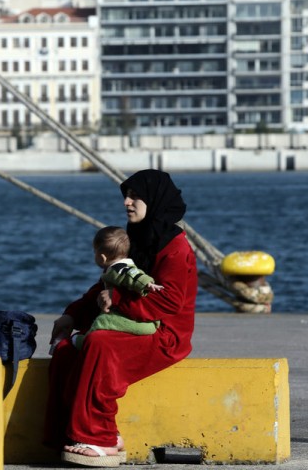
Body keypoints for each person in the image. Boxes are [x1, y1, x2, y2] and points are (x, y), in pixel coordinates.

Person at [43, 169, 198, 468]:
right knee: (65, 350)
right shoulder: (137, 238)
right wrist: (72, 315)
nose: (127, 202)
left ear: (154, 200)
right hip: (133, 323)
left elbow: (168, 300)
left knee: (101, 344)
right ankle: (70, 436)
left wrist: (116, 301)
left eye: (135, 197)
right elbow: (107, 284)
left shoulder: (175, 248)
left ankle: (99, 438)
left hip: (164, 335)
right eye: (126, 196)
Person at [68, 226, 162, 352]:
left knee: (102, 321)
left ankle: (83, 341)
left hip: (134, 323)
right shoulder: (126, 264)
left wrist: (146, 283)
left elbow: (132, 275)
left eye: (94, 252)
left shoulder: (118, 269)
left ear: (102, 257)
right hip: (145, 324)